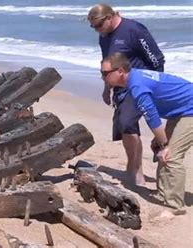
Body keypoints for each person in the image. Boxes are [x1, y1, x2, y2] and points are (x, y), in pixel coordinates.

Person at [101, 52, 192, 215]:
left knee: (171, 155)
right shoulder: (135, 78)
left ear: (120, 71)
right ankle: (163, 194)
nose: (103, 77)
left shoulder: (137, 86)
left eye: (105, 73)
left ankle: (175, 206)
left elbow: (151, 116)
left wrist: (164, 144)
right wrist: (161, 142)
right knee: (160, 149)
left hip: (189, 111)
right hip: (180, 111)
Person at [87, 3, 165, 185]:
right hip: (120, 87)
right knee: (124, 126)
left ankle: (136, 172)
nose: (97, 30)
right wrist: (107, 88)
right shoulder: (104, 36)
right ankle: (137, 164)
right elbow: (106, 63)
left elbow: (157, 59)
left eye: (99, 25)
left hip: (141, 84)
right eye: (93, 27)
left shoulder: (134, 30)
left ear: (109, 17)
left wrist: (156, 86)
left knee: (127, 121)